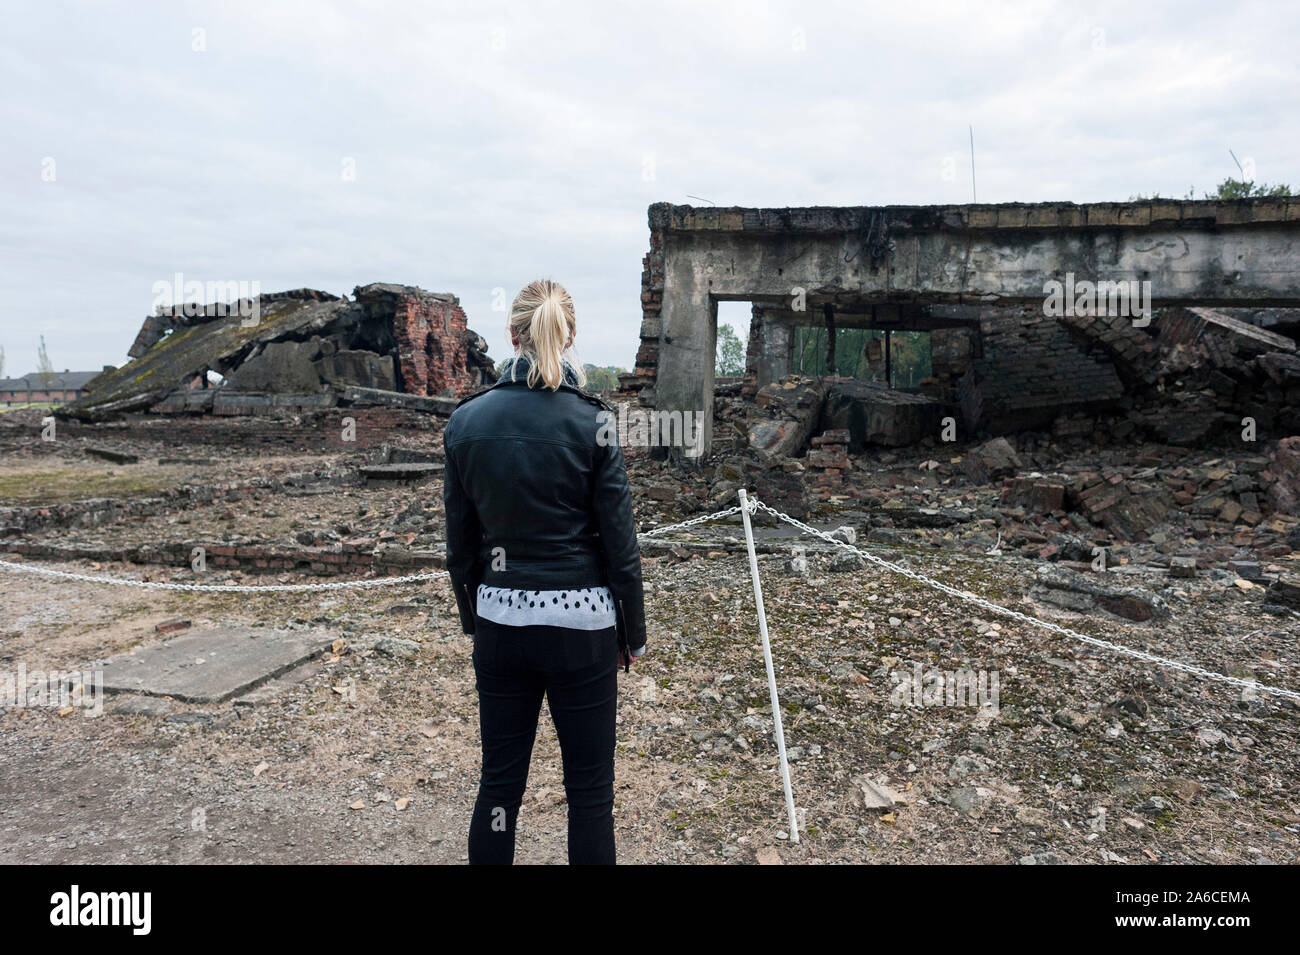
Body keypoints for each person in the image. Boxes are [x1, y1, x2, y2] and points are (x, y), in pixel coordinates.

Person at [442, 278, 646, 865]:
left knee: (500, 786)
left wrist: (473, 622)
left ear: (512, 335)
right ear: (572, 334)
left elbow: (461, 549)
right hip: (583, 631)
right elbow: (620, 548)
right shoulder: (594, 422)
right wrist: (632, 635)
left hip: (502, 623)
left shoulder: (466, 424)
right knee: (589, 797)